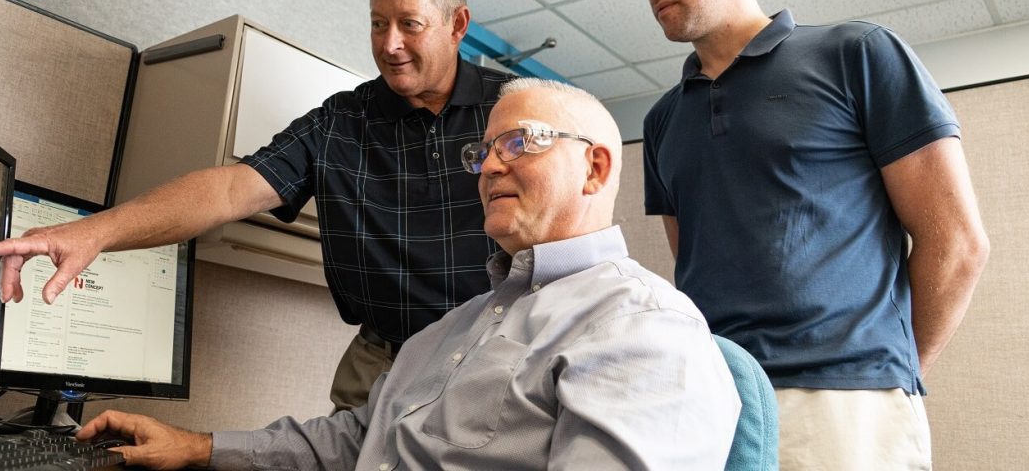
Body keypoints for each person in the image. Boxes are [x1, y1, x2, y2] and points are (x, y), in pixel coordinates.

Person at [76, 77, 741, 470]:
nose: (488, 166)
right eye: (483, 150)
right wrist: (195, 447)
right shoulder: (454, 326)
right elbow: (356, 438)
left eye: (520, 143)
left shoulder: (643, 331)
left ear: (595, 168)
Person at [0, 0, 511, 411]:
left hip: (493, 353)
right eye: (377, 23)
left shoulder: (514, 107)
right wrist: (93, 232)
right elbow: (230, 188)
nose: (388, 44)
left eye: (409, 24)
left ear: (457, 25)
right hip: (383, 359)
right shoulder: (342, 120)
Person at [622, 0, 991, 470]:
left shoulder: (857, 54)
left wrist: (889, 376)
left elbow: (958, 244)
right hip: (714, 399)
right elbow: (691, 262)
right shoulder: (663, 119)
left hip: (844, 400)